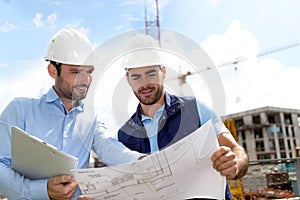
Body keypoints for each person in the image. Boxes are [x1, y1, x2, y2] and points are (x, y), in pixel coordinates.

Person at [0, 29, 143, 200]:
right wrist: (41, 190)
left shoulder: (90, 118)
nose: (85, 80)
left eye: (89, 71)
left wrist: (143, 161)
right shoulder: (20, 109)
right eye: (75, 72)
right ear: (53, 71)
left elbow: (109, 148)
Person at [116, 35, 249, 199]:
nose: (144, 84)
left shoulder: (196, 109)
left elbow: (236, 150)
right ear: (128, 79)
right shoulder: (124, 135)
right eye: (136, 77)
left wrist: (234, 164)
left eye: (151, 74)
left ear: (163, 72)